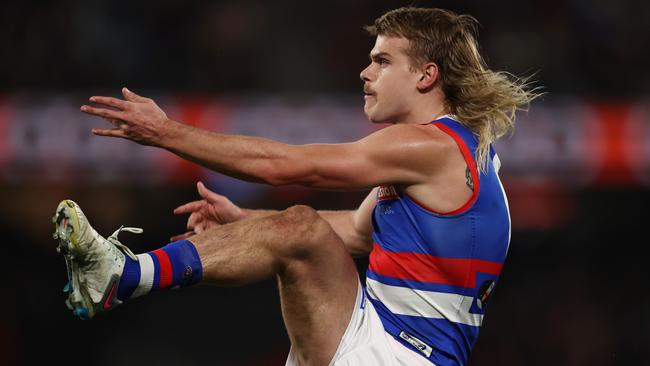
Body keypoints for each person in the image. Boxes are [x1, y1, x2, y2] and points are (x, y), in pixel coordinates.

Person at [55, 7, 538, 366]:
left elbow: (288, 167)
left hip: (399, 354)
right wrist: (250, 225)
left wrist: (166, 133)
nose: (366, 73)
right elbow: (354, 232)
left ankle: (123, 276)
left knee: (301, 224)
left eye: (383, 61)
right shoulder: (452, 156)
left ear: (426, 76)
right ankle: (124, 276)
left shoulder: (429, 147)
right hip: (381, 340)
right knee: (298, 226)